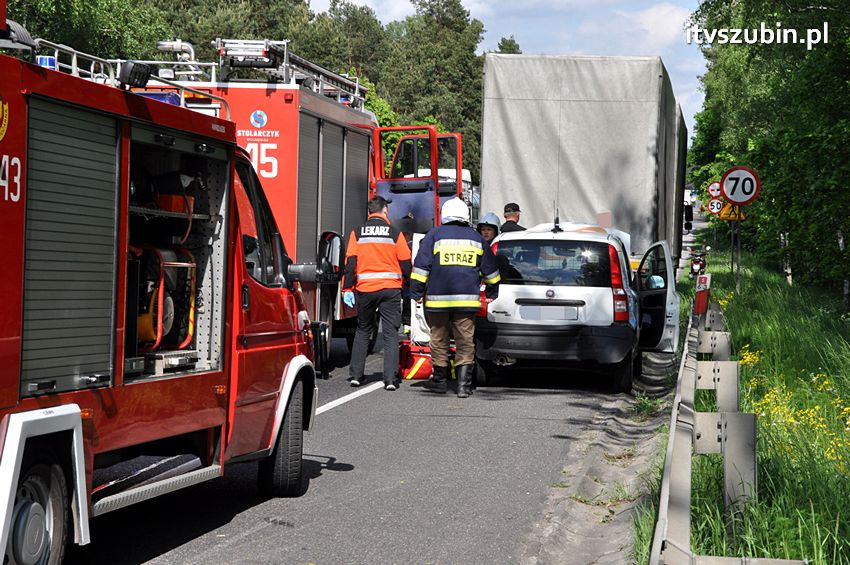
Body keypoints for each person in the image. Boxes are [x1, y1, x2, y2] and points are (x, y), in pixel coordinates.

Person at [410, 198, 500, 398]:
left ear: (445, 214)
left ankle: (440, 382)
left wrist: (416, 292)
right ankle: (463, 386)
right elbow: (491, 271)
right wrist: (492, 293)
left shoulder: (434, 235)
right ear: (466, 216)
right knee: (465, 342)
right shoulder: (476, 239)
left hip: (437, 300)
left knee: (439, 339)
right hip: (466, 302)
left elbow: (421, 267)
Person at [342, 195, 411, 390]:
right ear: (385, 211)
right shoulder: (395, 234)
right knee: (390, 334)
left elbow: (351, 263)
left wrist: (347, 287)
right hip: (390, 289)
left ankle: (356, 375)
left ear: (369, 212)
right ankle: (390, 379)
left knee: (363, 330)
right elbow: (406, 264)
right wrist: (410, 285)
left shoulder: (357, 233)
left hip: (365, 290)